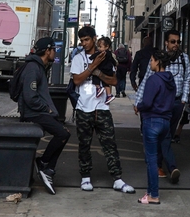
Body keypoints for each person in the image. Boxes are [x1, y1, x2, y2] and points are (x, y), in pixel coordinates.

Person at [70, 25, 135, 193]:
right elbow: (77, 80)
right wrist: (92, 68)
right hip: (83, 108)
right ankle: (85, 177)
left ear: (94, 39)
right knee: (84, 144)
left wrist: (97, 72)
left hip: (102, 107)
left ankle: (117, 179)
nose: (84, 43)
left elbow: (113, 81)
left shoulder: (104, 57)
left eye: (87, 40)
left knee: (110, 144)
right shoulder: (78, 58)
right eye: (82, 40)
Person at [133, 29, 190, 183]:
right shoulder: (158, 59)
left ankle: (163, 166)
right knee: (162, 136)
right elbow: (146, 80)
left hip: (177, 102)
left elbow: (187, 79)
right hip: (160, 103)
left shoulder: (184, 59)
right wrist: (137, 102)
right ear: (166, 42)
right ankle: (163, 166)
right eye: (173, 42)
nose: (176, 45)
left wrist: (184, 99)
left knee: (168, 135)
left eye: (178, 42)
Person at [18, 37, 70, 195]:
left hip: (38, 112)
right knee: (62, 133)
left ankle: (47, 166)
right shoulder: (33, 68)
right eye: (54, 49)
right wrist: (46, 110)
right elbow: (30, 96)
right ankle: (44, 164)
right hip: (34, 113)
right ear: (47, 51)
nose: (55, 52)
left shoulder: (40, 66)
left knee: (63, 133)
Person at [135, 49, 177, 205]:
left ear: (158, 62)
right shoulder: (170, 80)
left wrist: (139, 106)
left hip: (152, 121)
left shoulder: (153, 80)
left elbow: (147, 102)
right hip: (166, 121)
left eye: (152, 60)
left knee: (151, 160)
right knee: (157, 156)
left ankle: (153, 194)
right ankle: (151, 192)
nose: (150, 63)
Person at [96, 36, 119, 104]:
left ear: (106, 46)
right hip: (109, 71)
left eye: (100, 46)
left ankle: (100, 89)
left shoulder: (101, 54)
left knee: (97, 79)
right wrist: (115, 64)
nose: (98, 48)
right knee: (107, 85)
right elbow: (113, 61)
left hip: (104, 70)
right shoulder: (111, 54)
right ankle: (108, 95)